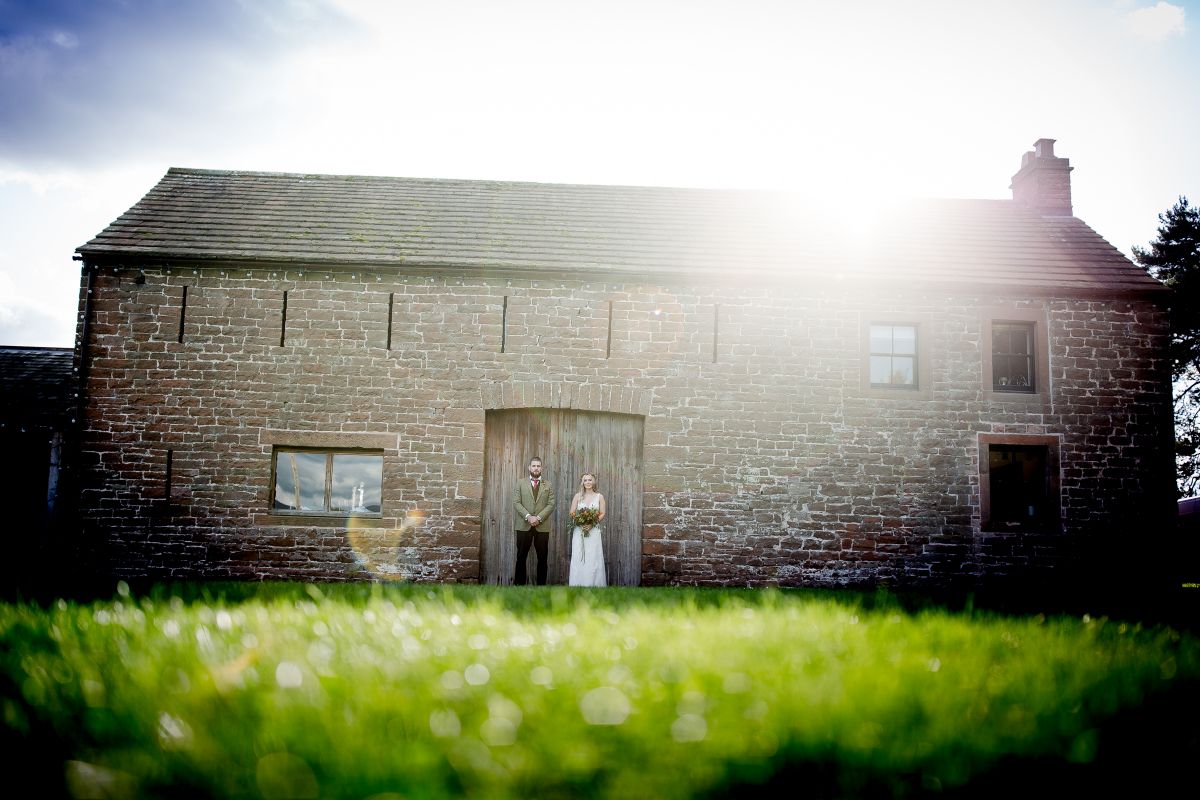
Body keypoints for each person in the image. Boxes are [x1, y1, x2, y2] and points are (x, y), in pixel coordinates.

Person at [513, 457, 554, 585]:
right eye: (534, 466)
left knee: (542, 558)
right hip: (523, 525)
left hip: (542, 526)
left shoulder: (548, 484)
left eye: (538, 466)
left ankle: (541, 586)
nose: (536, 468)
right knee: (521, 557)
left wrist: (539, 517)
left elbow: (551, 504)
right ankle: (519, 586)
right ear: (529, 467)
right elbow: (516, 502)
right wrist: (528, 517)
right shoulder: (520, 482)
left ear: (541, 468)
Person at [568, 472, 607, 587]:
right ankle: (577, 584)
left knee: (593, 556)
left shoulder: (599, 496)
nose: (588, 482)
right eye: (585, 480)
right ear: (582, 482)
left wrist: (592, 523)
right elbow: (572, 512)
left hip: (593, 530)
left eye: (590, 480)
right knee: (578, 555)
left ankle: (594, 584)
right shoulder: (577, 496)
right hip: (579, 530)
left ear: (593, 482)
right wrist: (580, 522)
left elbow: (602, 513)